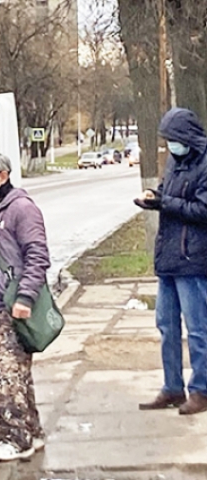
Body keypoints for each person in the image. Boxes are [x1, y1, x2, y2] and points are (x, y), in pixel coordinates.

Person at [0, 151, 50, 462]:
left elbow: (38, 256)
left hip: (12, 307)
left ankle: (15, 440)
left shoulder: (21, 210)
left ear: (3, 175)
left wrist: (25, 298)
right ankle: (33, 431)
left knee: (7, 375)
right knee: (17, 374)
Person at [135, 107, 207, 415]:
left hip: (192, 260)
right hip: (168, 258)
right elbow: (167, 196)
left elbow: (202, 210)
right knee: (166, 325)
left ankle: (201, 390)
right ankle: (173, 387)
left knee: (198, 329)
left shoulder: (204, 165)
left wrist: (166, 203)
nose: (170, 146)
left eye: (173, 139)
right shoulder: (176, 163)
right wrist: (154, 198)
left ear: (187, 137)